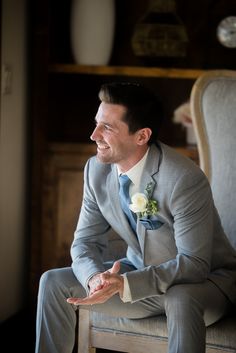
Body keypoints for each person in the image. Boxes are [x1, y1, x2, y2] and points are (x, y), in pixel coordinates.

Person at [35, 82, 236, 353]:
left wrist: (127, 283)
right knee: (53, 282)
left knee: (180, 297)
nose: (94, 135)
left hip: (204, 284)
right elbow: (84, 243)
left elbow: (195, 264)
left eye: (107, 127)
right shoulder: (95, 171)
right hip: (140, 275)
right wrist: (95, 278)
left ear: (141, 136)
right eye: (96, 123)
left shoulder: (183, 179)